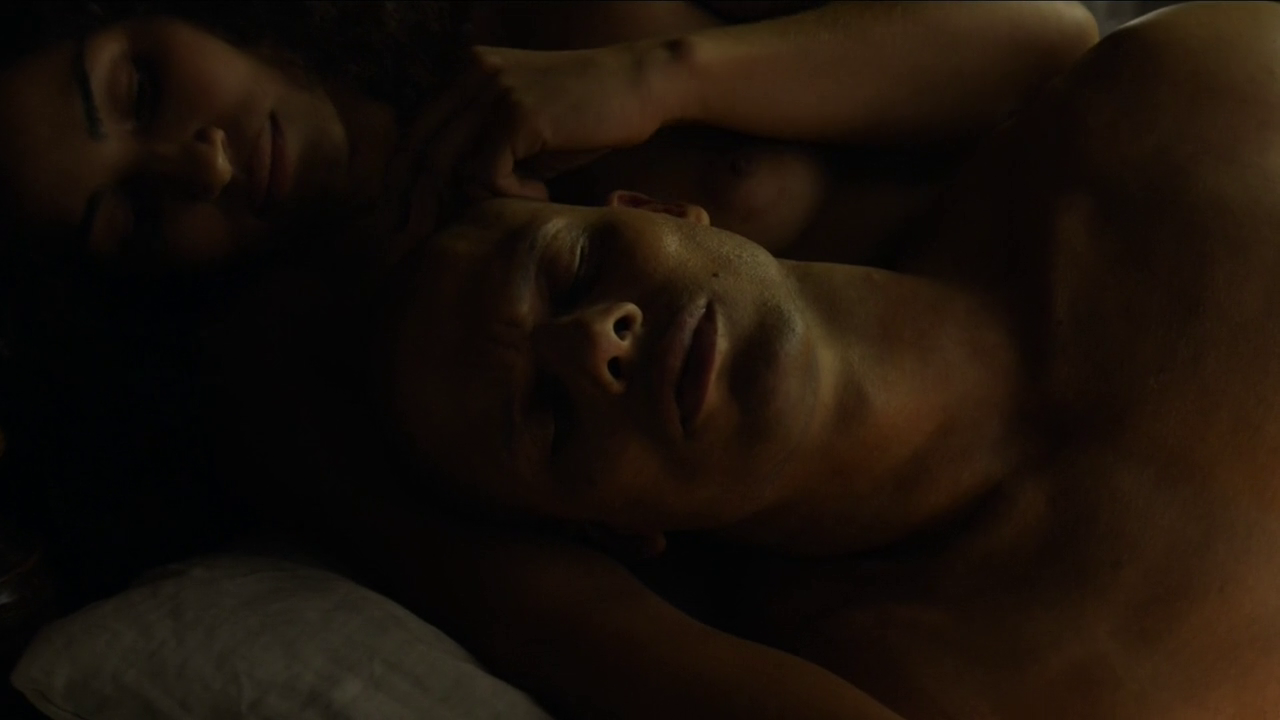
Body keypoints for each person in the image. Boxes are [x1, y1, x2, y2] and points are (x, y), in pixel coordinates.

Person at [325, 2, 1280, 718]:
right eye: (546, 413)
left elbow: (1047, 31)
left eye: (573, 274)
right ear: (614, 529)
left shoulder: (1175, 113)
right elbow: (537, 613)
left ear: (660, 211)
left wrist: (658, 74)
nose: (591, 346)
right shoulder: (909, 676)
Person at [0, 0, 1097, 605]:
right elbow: (592, 643)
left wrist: (665, 74)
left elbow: (1053, 46)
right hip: (1036, 548)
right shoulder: (326, 389)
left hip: (1115, 267)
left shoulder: (531, 16)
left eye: (138, 88)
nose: (200, 165)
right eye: (132, 214)